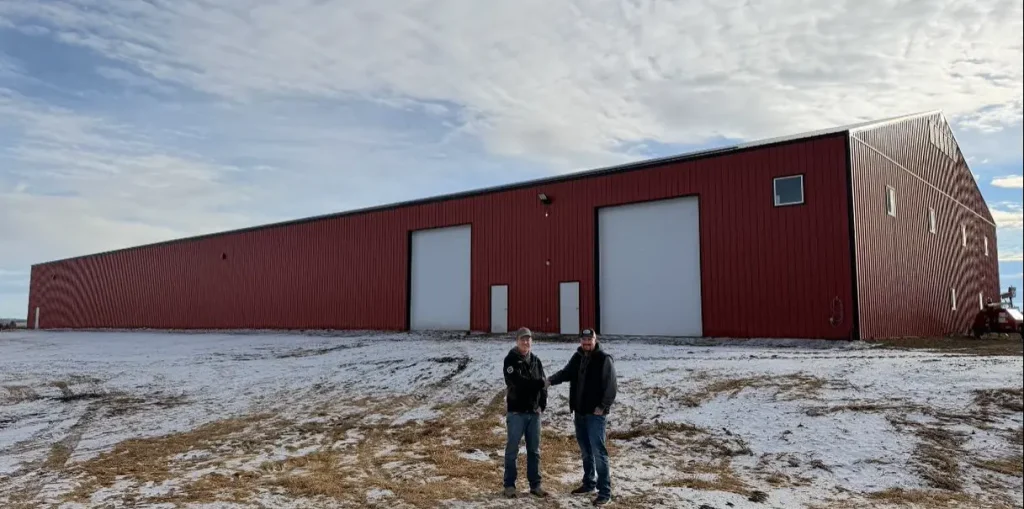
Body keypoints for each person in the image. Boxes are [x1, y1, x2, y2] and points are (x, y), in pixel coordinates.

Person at [547, 327, 617, 506]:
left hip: (595, 415)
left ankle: (605, 492)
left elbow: (611, 386)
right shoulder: (577, 357)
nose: (587, 343)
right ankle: (589, 483)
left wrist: (603, 407)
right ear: (580, 341)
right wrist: (548, 381)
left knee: (598, 452)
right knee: (586, 451)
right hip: (580, 413)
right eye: (584, 341)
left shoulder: (604, 359)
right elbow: (566, 373)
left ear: (595, 340)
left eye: (590, 340)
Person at [502, 327, 549, 498]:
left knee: (534, 451)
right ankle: (509, 486)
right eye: (522, 339)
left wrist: (541, 405)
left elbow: (544, 387)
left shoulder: (536, 361)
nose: (525, 342)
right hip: (516, 413)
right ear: (517, 341)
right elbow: (518, 383)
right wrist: (539, 383)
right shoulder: (510, 361)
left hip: (533, 414)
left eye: (528, 339)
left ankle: (535, 485)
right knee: (512, 450)